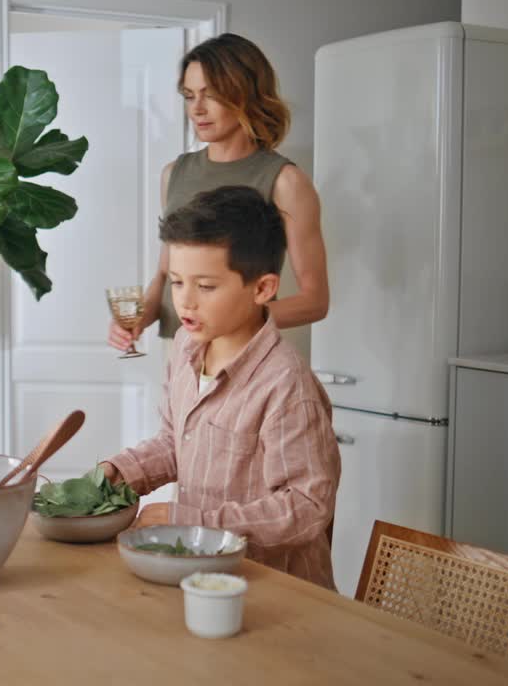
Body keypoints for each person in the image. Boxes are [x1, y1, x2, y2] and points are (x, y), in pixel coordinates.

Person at [101, 185, 340, 590]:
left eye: (206, 287)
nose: (186, 302)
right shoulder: (186, 347)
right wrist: (123, 472)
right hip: (201, 578)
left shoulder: (286, 385)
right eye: (177, 282)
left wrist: (193, 521)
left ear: (263, 288)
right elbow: (178, 440)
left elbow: (307, 507)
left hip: (275, 591)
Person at [108, 33, 328, 353]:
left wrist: (231, 322)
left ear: (246, 95)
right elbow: (166, 273)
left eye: (211, 95)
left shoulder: (285, 181)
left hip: (244, 357)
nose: (197, 109)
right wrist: (140, 318)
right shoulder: (174, 174)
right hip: (180, 355)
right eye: (188, 95)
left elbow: (315, 301)